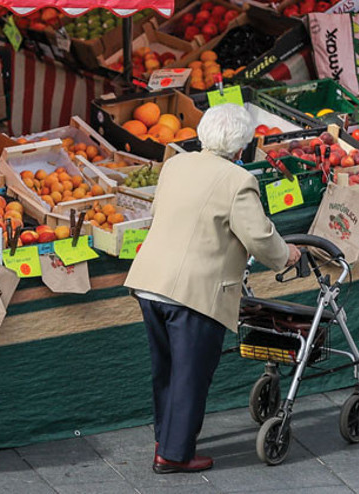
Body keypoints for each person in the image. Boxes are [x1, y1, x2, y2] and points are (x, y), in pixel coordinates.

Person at [124, 103, 301, 474]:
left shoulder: (176, 164)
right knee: (190, 374)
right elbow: (259, 237)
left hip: (151, 282)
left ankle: (165, 438)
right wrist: (287, 255)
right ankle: (173, 455)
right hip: (195, 291)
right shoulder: (238, 181)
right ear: (241, 146)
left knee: (166, 368)